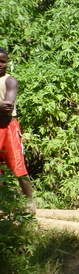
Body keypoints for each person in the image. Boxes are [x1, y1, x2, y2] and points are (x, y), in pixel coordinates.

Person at [0, 48, 34, 205]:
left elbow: (7, 106)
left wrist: (3, 105)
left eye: (3, 61)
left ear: (7, 62)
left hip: (9, 128)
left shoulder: (10, 80)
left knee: (18, 167)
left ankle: (29, 203)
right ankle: (5, 204)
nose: (0, 64)